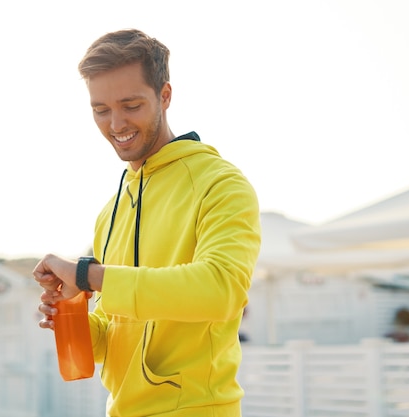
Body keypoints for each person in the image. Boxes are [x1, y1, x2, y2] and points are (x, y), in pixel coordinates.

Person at [33, 28, 261, 417]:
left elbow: (222, 290)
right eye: (100, 109)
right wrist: (73, 313)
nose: (115, 123)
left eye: (130, 105)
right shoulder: (110, 212)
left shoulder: (220, 183)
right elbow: (115, 336)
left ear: (165, 96)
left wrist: (90, 274)